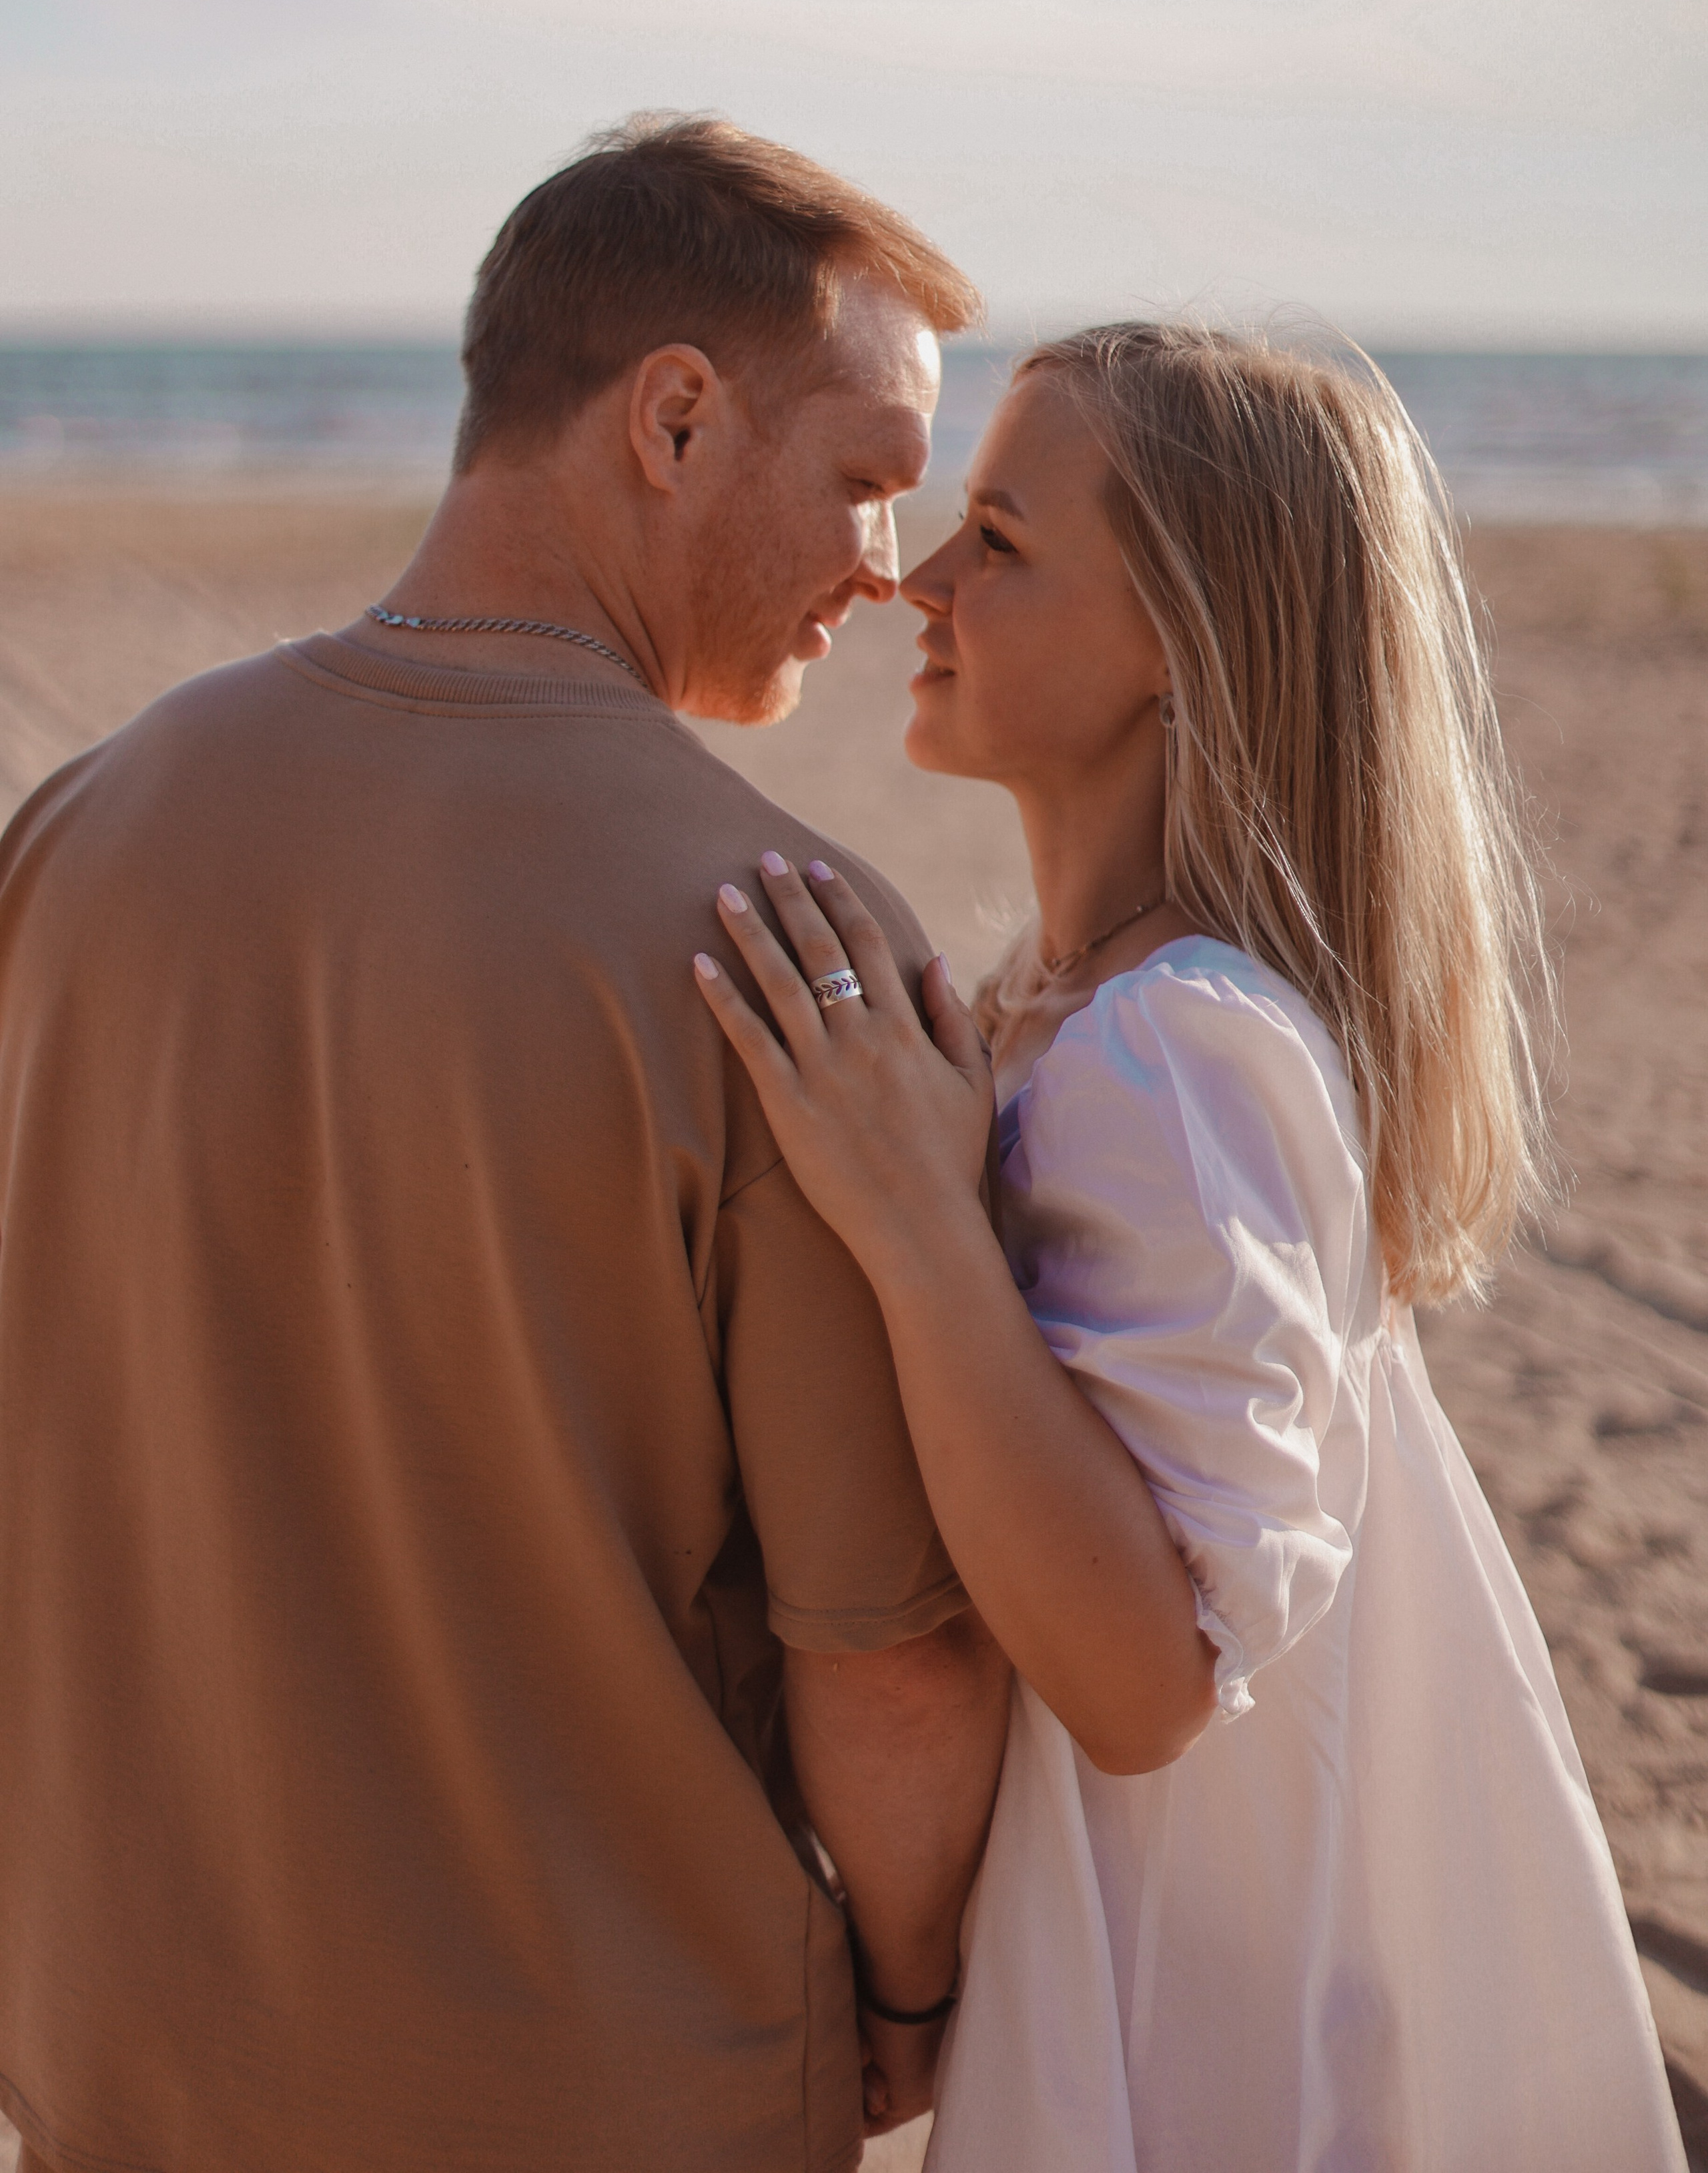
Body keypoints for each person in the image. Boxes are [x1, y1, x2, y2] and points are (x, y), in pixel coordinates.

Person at [0, 116, 1011, 2173]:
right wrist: (905, 1993)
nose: (886, 567)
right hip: (606, 2088)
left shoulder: (77, 829)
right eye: (867, 479)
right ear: (673, 420)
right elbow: (889, 1661)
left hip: (118, 2058)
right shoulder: (786, 940)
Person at [693, 320, 1688, 2171]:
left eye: (998, 538)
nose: (917, 575)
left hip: (1209, 1996)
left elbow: (1147, 1685)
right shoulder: (1091, 1014)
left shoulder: (1178, 1052)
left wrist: (916, 1228)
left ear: (1179, 638)